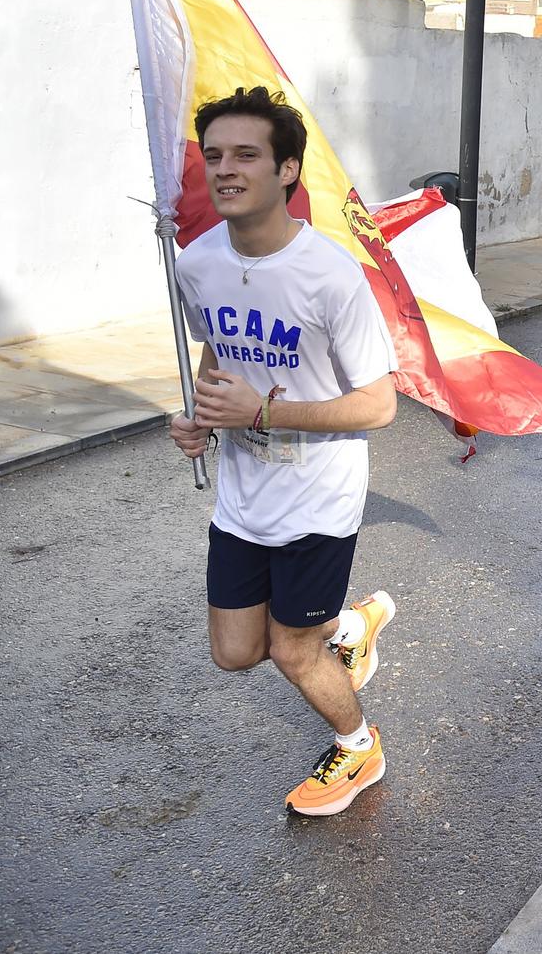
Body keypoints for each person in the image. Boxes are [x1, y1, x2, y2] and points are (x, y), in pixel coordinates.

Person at [169, 86, 401, 818]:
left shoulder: (331, 276)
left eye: (246, 155)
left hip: (318, 498)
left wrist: (264, 409)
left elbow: (380, 404)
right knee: (236, 650)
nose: (226, 170)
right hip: (242, 495)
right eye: (215, 156)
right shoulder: (196, 263)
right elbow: (216, 347)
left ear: (288, 170)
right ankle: (350, 623)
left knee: (291, 649)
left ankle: (359, 744)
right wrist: (204, 415)